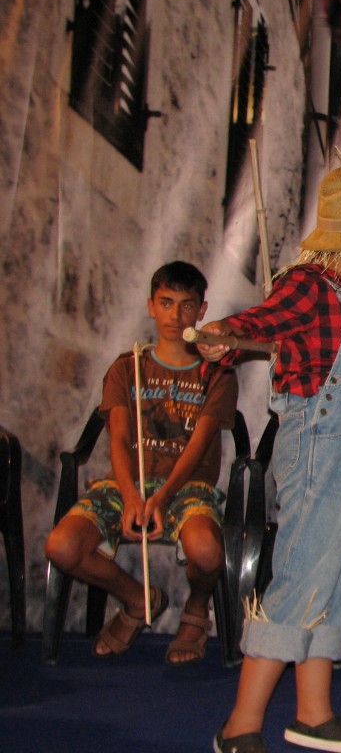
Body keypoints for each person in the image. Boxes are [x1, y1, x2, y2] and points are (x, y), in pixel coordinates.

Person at [199, 165, 341, 753]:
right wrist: (225, 332)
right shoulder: (308, 285)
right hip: (319, 457)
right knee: (303, 577)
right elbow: (262, 321)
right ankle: (240, 726)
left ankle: (313, 713)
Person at [44, 261, 238, 666]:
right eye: (166, 303)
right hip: (126, 484)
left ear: (202, 311)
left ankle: (196, 608)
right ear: (151, 306)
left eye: (187, 305)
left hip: (185, 487)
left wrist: (162, 497)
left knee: (206, 551)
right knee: (61, 546)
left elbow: (199, 446)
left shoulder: (217, 374)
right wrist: (132, 495)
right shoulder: (126, 366)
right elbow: (117, 438)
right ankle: (138, 598)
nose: (175, 315)